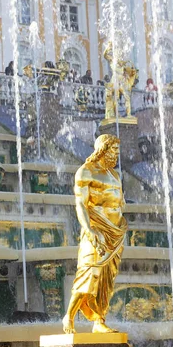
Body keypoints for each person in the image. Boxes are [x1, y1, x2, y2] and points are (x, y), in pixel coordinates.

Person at [63, 134, 127, 334]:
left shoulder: (115, 175)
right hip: (96, 230)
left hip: (115, 234)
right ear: (102, 150)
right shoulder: (86, 172)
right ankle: (69, 316)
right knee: (90, 274)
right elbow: (80, 205)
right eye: (113, 150)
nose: (116, 154)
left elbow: (119, 203)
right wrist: (91, 231)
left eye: (117, 150)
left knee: (107, 281)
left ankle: (99, 321)